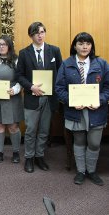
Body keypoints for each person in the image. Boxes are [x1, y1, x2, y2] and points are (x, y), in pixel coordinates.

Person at [55, 32, 109, 186]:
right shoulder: (66, 64)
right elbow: (59, 88)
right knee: (79, 141)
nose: (84, 47)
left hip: (96, 111)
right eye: (81, 43)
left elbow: (107, 87)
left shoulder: (102, 64)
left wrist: (100, 100)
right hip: (75, 110)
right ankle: (80, 171)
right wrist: (71, 101)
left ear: (91, 46)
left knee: (94, 143)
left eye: (88, 43)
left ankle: (91, 171)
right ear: (74, 46)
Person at [16, 22, 62, 173]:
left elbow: (61, 73)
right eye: (36, 33)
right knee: (30, 130)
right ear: (31, 35)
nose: (40, 35)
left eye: (42, 32)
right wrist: (30, 87)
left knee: (44, 130)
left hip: (49, 98)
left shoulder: (54, 51)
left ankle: (40, 156)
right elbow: (19, 75)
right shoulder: (24, 53)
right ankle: (29, 157)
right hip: (32, 97)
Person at [0, 35, 23, 163]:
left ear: (9, 46)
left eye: (4, 44)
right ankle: (0, 152)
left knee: (13, 127)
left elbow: (21, 80)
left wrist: (15, 90)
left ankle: (16, 152)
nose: (1, 46)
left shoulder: (17, 60)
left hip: (12, 97)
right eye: (0, 44)